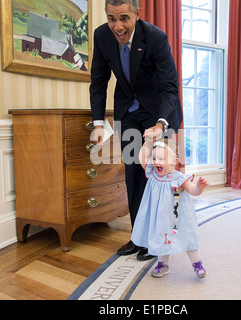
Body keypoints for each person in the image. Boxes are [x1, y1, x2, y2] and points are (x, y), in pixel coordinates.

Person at [90, 0, 183, 260]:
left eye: (123, 19)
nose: (117, 26)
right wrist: (98, 123)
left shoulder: (155, 37)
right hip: (128, 112)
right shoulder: (101, 36)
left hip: (157, 112)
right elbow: (98, 81)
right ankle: (138, 236)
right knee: (134, 172)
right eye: (111, 19)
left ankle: (159, 237)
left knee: (157, 176)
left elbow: (169, 87)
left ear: (136, 14)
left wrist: (161, 124)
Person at [131, 138, 209, 278]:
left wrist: (199, 187)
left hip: (178, 218)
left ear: (175, 161)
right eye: (154, 158)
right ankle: (163, 265)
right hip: (160, 218)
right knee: (161, 239)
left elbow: (193, 191)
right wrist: (147, 143)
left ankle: (197, 263)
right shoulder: (153, 174)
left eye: (162, 158)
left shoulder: (180, 178)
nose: (156, 162)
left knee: (187, 237)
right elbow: (142, 157)